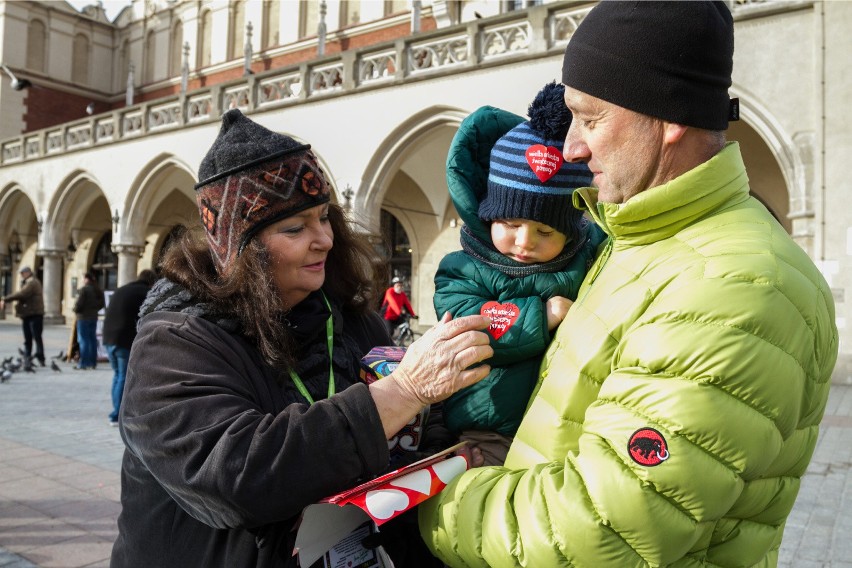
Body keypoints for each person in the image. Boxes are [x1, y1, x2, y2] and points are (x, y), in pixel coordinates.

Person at [419, 2, 839, 566]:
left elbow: (597, 532)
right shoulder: (636, 242)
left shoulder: (731, 285)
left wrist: (425, 500)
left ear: (669, 119)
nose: (570, 147)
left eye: (590, 119)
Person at [110, 109, 493, 568]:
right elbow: (235, 478)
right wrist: (402, 392)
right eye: (294, 228)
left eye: (324, 218)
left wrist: (452, 446)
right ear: (237, 251)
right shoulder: (175, 341)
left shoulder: (353, 320)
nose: (324, 239)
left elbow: (418, 429)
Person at [433, 82, 605, 466]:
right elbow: (470, 325)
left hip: (567, 425)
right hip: (487, 426)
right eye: (510, 222)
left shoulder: (587, 257)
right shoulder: (463, 268)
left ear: (570, 231)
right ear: (490, 214)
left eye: (545, 232)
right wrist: (542, 316)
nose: (524, 241)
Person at [102, 269, 158, 426]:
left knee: (117, 375)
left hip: (108, 338)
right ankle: (117, 415)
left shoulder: (123, 289)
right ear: (152, 282)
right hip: (123, 340)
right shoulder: (144, 292)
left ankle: (115, 412)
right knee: (124, 377)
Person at [0, 266, 45, 367]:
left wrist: (5, 299)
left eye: (22, 273)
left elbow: (22, 294)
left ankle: (40, 357)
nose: (21, 275)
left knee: (36, 337)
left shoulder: (32, 282)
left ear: (28, 272)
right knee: (28, 338)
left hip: (35, 314)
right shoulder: (27, 282)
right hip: (28, 314)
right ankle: (27, 357)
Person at [72, 272, 105, 370]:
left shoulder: (84, 289)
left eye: (83, 278)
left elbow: (79, 303)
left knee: (84, 340)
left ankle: (84, 363)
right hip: (93, 317)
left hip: (83, 317)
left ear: (87, 279)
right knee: (92, 340)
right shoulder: (98, 290)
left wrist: (75, 310)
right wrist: (94, 310)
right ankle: (92, 362)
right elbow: (102, 304)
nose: (82, 280)